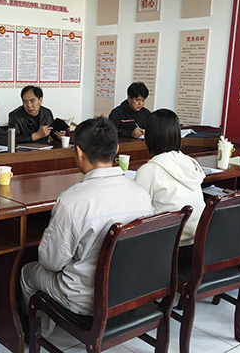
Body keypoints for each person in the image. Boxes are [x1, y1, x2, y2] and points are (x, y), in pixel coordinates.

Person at [20, 116, 152, 330]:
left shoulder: (72, 201)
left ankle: (38, 333)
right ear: (117, 150)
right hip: (130, 291)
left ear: (79, 152)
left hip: (85, 299)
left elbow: (51, 262)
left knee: (27, 273)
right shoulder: (142, 194)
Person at [134, 109, 205, 246]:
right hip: (197, 242)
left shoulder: (149, 171)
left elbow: (136, 214)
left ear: (148, 137)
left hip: (167, 246)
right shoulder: (190, 162)